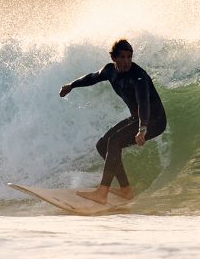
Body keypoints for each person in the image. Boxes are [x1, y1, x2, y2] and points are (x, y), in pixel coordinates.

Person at [59, 38, 167, 204]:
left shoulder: (139, 77)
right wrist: (72, 85)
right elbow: (92, 77)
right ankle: (126, 190)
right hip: (137, 119)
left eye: (129, 57)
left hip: (154, 120)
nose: (126, 61)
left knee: (114, 141)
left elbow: (143, 102)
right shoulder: (110, 71)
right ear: (114, 58)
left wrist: (143, 128)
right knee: (103, 145)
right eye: (122, 57)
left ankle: (102, 193)